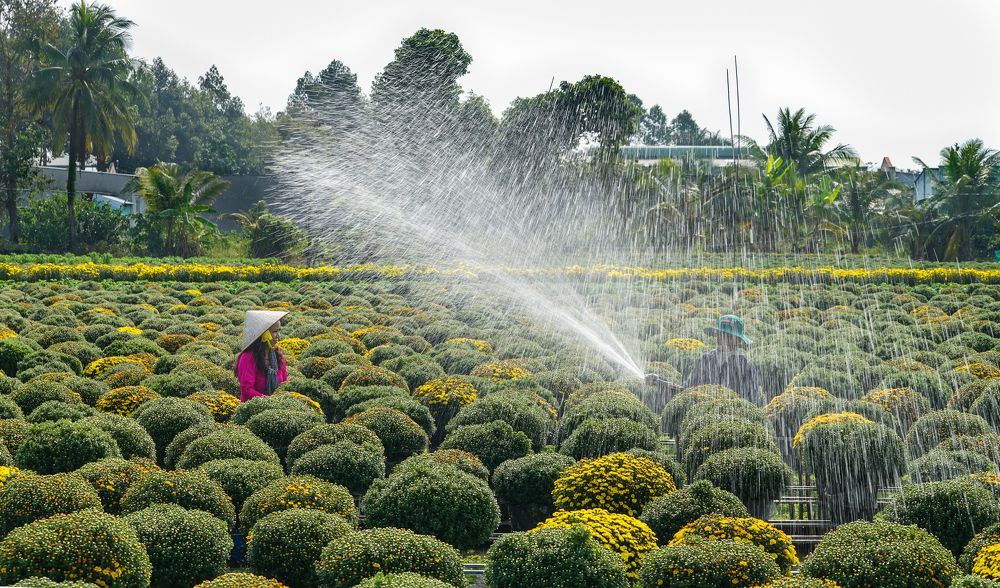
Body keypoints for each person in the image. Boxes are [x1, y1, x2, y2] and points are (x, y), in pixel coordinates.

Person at [646, 314, 763, 406]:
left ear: (738, 340)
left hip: (734, 423)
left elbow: (752, 401)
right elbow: (686, 390)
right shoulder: (706, 359)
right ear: (716, 335)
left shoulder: (746, 365)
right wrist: (660, 382)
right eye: (721, 334)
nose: (723, 338)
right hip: (701, 419)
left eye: (728, 335)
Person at [235, 310, 288, 402]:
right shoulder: (247, 357)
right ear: (264, 334)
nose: (278, 335)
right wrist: (269, 401)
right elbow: (247, 390)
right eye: (275, 331)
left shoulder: (278, 355)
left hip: (277, 405)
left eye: (279, 330)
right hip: (254, 408)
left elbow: (285, 383)